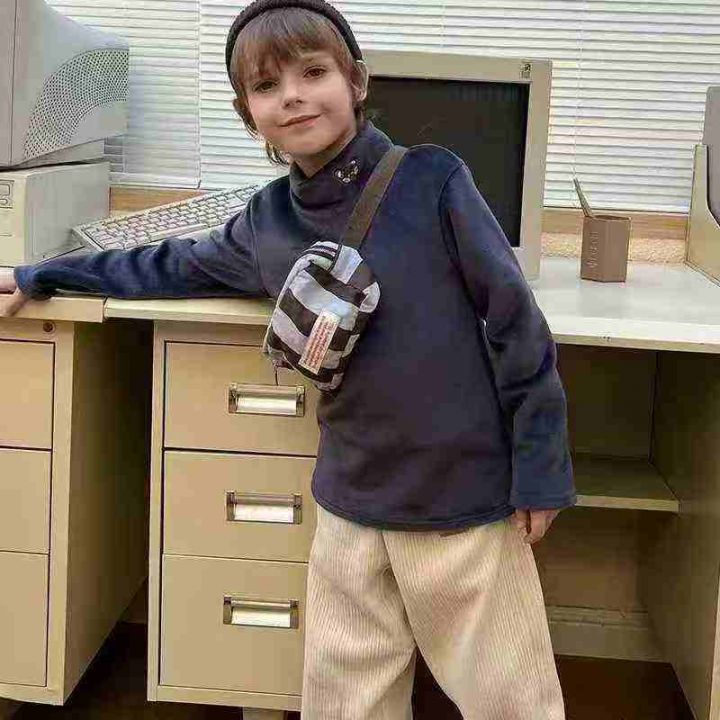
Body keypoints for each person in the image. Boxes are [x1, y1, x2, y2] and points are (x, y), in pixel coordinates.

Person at [0, 1, 576, 717]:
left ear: (355, 81)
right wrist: (42, 275)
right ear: (249, 114)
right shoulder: (266, 222)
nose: (294, 96)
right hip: (350, 502)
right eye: (267, 86)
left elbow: (516, 322)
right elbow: (167, 264)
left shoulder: (433, 179)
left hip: (462, 498)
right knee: (345, 703)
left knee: (512, 701)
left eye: (313, 72)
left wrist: (541, 466)